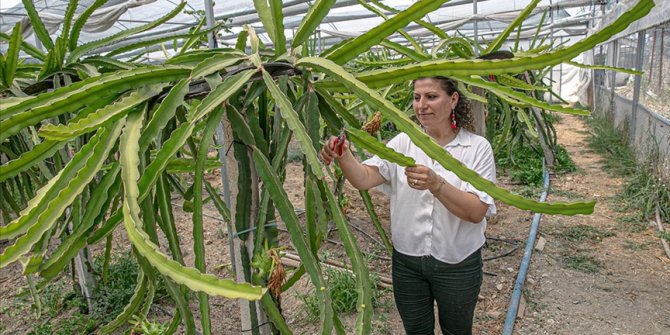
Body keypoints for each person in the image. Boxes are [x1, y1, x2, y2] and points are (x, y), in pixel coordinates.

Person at [320, 76, 497, 335]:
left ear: (453, 99)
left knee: (457, 331)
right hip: (407, 262)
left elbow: (476, 211)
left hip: (458, 263)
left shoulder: (476, 148)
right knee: (416, 330)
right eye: (417, 98)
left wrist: (437, 185)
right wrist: (344, 156)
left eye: (431, 97)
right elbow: (364, 178)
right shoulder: (404, 143)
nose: (421, 105)